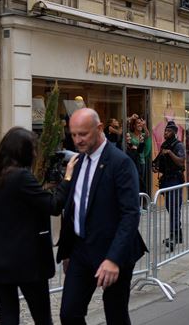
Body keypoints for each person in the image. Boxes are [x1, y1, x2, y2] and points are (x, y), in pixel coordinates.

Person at [57, 108, 147, 325]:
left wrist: (114, 259)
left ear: (98, 129)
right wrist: (68, 250)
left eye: (83, 134)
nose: (77, 140)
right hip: (81, 251)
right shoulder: (78, 162)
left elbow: (130, 214)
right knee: (69, 313)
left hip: (113, 251)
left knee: (115, 315)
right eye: (73, 134)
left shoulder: (120, 163)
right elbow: (74, 206)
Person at [0, 127, 74, 325]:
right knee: (42, 318)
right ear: (21, 151)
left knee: (8, 319)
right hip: (26, 263)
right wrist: (68, 177)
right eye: (32, 149)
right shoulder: (21, 177)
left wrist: (45, 189)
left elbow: (26, 203)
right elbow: (54, 206)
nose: (34, 154)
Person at [153, 121, 186, 251]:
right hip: (166, 180)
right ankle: (178, 233)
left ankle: (173, 237)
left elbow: (181, 161)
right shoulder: (164, 145)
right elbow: (159, 162)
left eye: (168, 131)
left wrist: (170, 153)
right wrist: (156, 167)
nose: (165, 133)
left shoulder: (178, 145)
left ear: (174, 132)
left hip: (175, 180)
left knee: (174, 207)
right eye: (165, 131)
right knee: (170, 207)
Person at [124, 114, 147, 194]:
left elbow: (148, 135)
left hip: (142, 160)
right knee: (134, 179)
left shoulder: (142, 135)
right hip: (133, 160)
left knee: (141, 180)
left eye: (141, 123)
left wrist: (144, 126)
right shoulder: (129, 134)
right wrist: (130, 118)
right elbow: (128, 145)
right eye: (138, 123)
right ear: (134, 125)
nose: (140, 124)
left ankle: (141, 200)